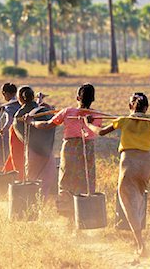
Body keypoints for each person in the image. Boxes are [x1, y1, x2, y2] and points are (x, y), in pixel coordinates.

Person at [85, 92, 150, 259]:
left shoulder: (123, 120)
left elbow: (102, 132)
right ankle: (139, 238)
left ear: (129, 107)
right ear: (146, 109)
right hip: (146, 164)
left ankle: (141, 245)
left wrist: (88, 124)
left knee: (128, 202)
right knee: (138, 198)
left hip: (129, 165)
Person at [25, 83, 102, 215]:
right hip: (87, 150)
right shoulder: (97, 115)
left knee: (66, 181)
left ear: (78, 98)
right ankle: (82, 215)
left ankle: (68, 216)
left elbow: (47, 125)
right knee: (86, 181)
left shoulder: (68, 112)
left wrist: (31, 122)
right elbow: (97, 131)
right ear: (93, 99)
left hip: (70, 150)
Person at [11, 86, 57, 197]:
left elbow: (23, 137)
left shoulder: (19, 116)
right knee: (46, 181)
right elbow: (52, 123)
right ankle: (42, 206)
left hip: (33, 153)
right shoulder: (45, 111)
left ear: (20, 99)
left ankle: (33, 207)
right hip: (48, 152)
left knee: (32, 181)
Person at [0, 83, 20, 162]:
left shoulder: (9, 106)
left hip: (12, 132)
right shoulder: (20, 103)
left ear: (6, 94)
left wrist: (3, 129)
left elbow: (10, 121)